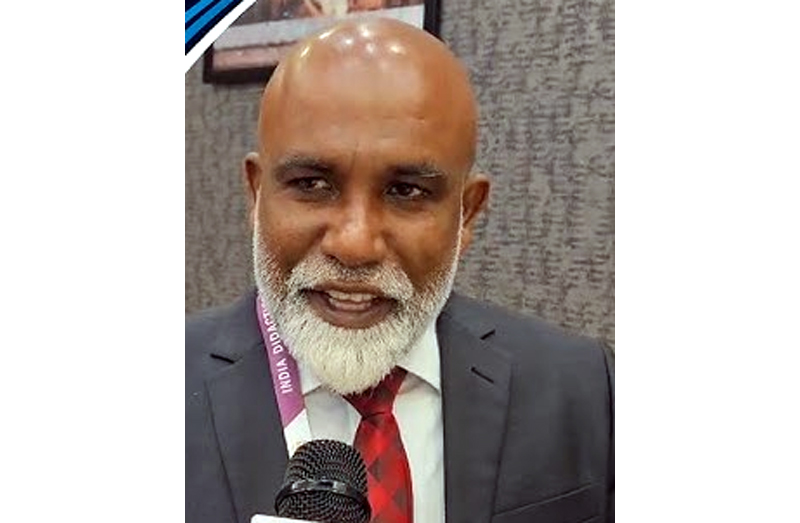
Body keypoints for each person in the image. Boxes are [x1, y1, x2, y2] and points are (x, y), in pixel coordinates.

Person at [186, 18, 614, 523]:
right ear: (257, 195)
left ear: (467, 214)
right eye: (311, 183)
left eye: (406, 191)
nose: (354, 245)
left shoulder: (583, 389)